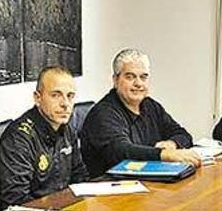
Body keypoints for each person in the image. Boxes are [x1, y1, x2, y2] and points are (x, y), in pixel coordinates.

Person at [80, 48, 201, 177]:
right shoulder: (103, 113)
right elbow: (121, 151)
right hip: (111, 188)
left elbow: (183, 135)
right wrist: (165, 154)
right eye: (130, 77)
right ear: (115, 80)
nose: (138, 83)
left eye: (143, 77)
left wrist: (171, 144)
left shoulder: (150, 106)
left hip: (147, 182)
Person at [0, 65, 88, 207]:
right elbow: (16, 199)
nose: (65, 104)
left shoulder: (67, 128)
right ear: (37, 98)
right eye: (55, 95)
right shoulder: (19, 138)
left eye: (70, 96)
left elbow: (80, 177)